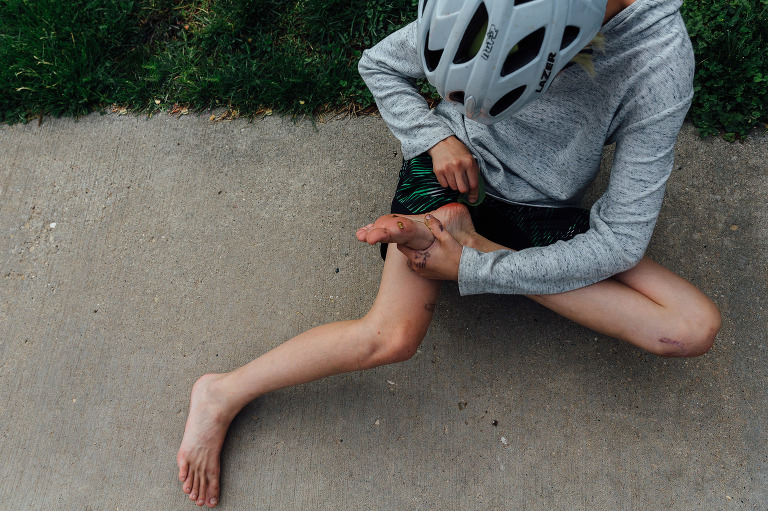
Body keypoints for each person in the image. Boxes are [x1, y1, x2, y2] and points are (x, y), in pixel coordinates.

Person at [176, 0, 721, 506]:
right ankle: (220, 394)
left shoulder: (659, 63)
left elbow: (622, 240)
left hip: (539, 210)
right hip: (450, 175)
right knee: (391, 337)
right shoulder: (496, 7)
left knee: (691, 327)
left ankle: (463, 245)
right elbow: (380, 64)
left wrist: (475, 264)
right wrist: (436, 138)